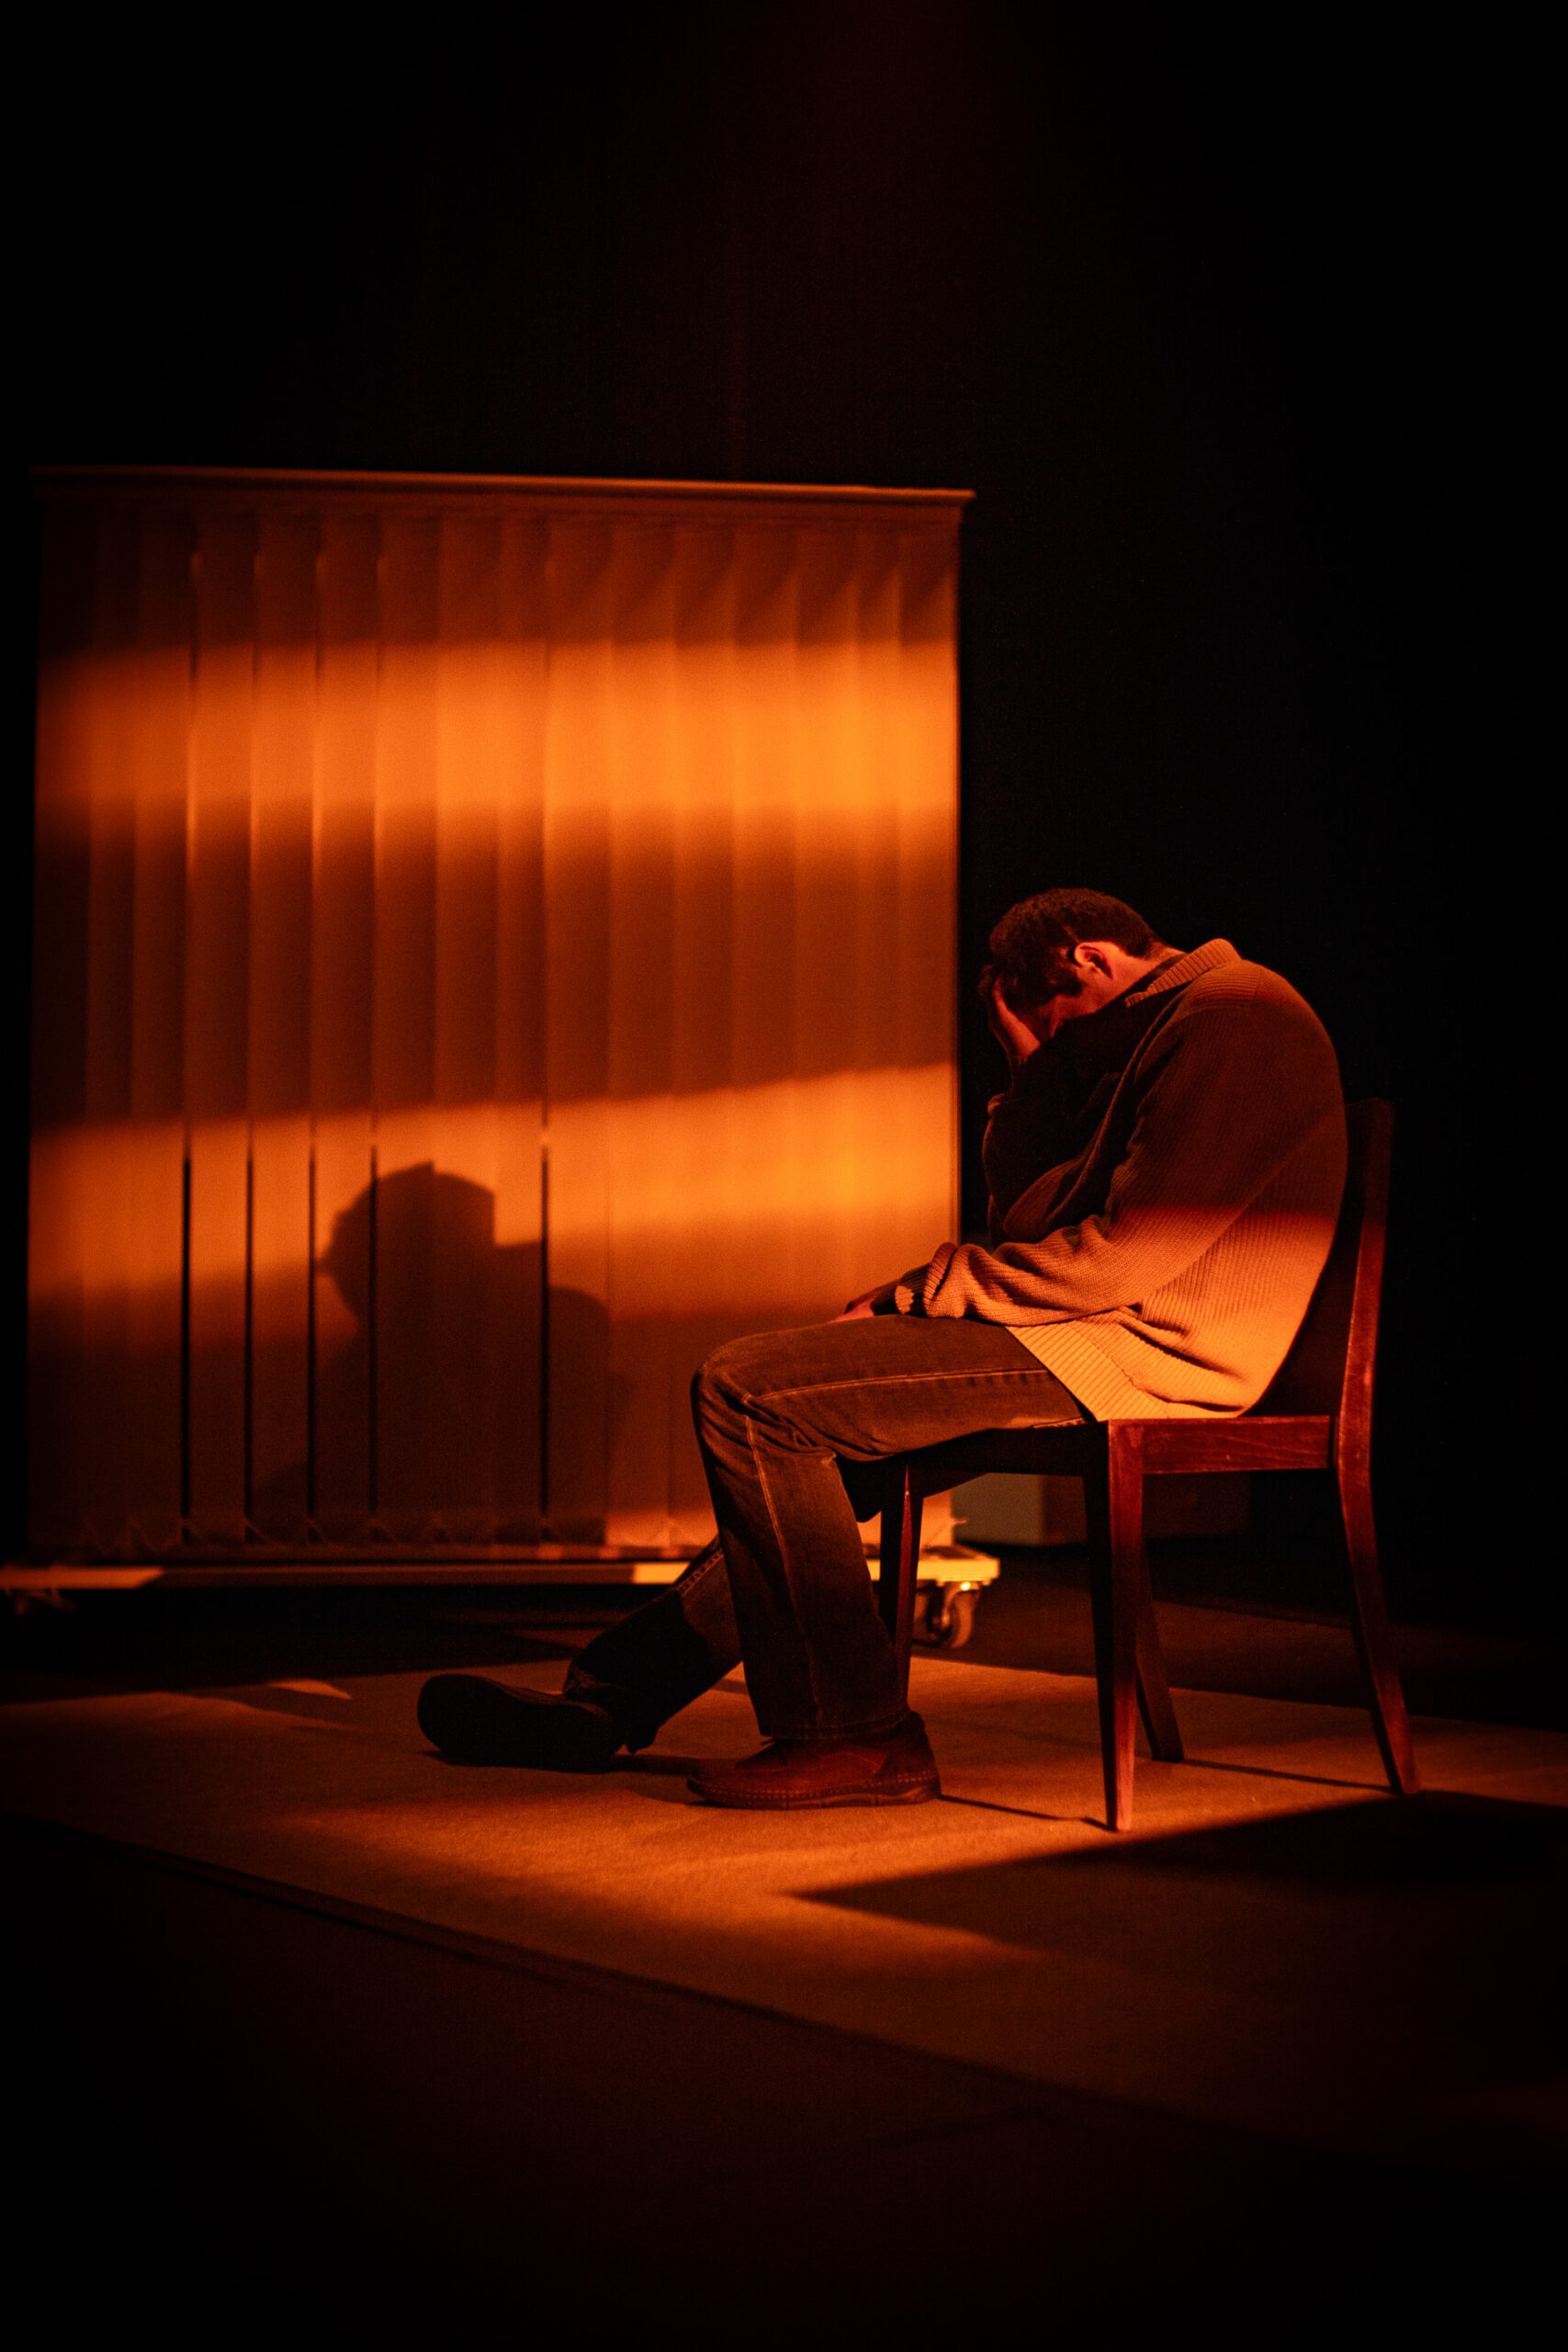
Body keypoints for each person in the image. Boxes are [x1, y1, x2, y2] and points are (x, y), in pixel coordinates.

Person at [418, 889, 1346, 1810]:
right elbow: (1030, 1224)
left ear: (1089, 959)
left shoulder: (1231, 1018)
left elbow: (1122, 1258)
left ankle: (856, 1736)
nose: (1069, 1050)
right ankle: (612, 1698)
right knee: (802, 1425)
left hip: (1149, 1349)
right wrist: (1029, 1077)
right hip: (1095, 1333)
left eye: (1059, 1028)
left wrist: (917, 1291)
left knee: (750, 1392)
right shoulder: (1166, 1030)